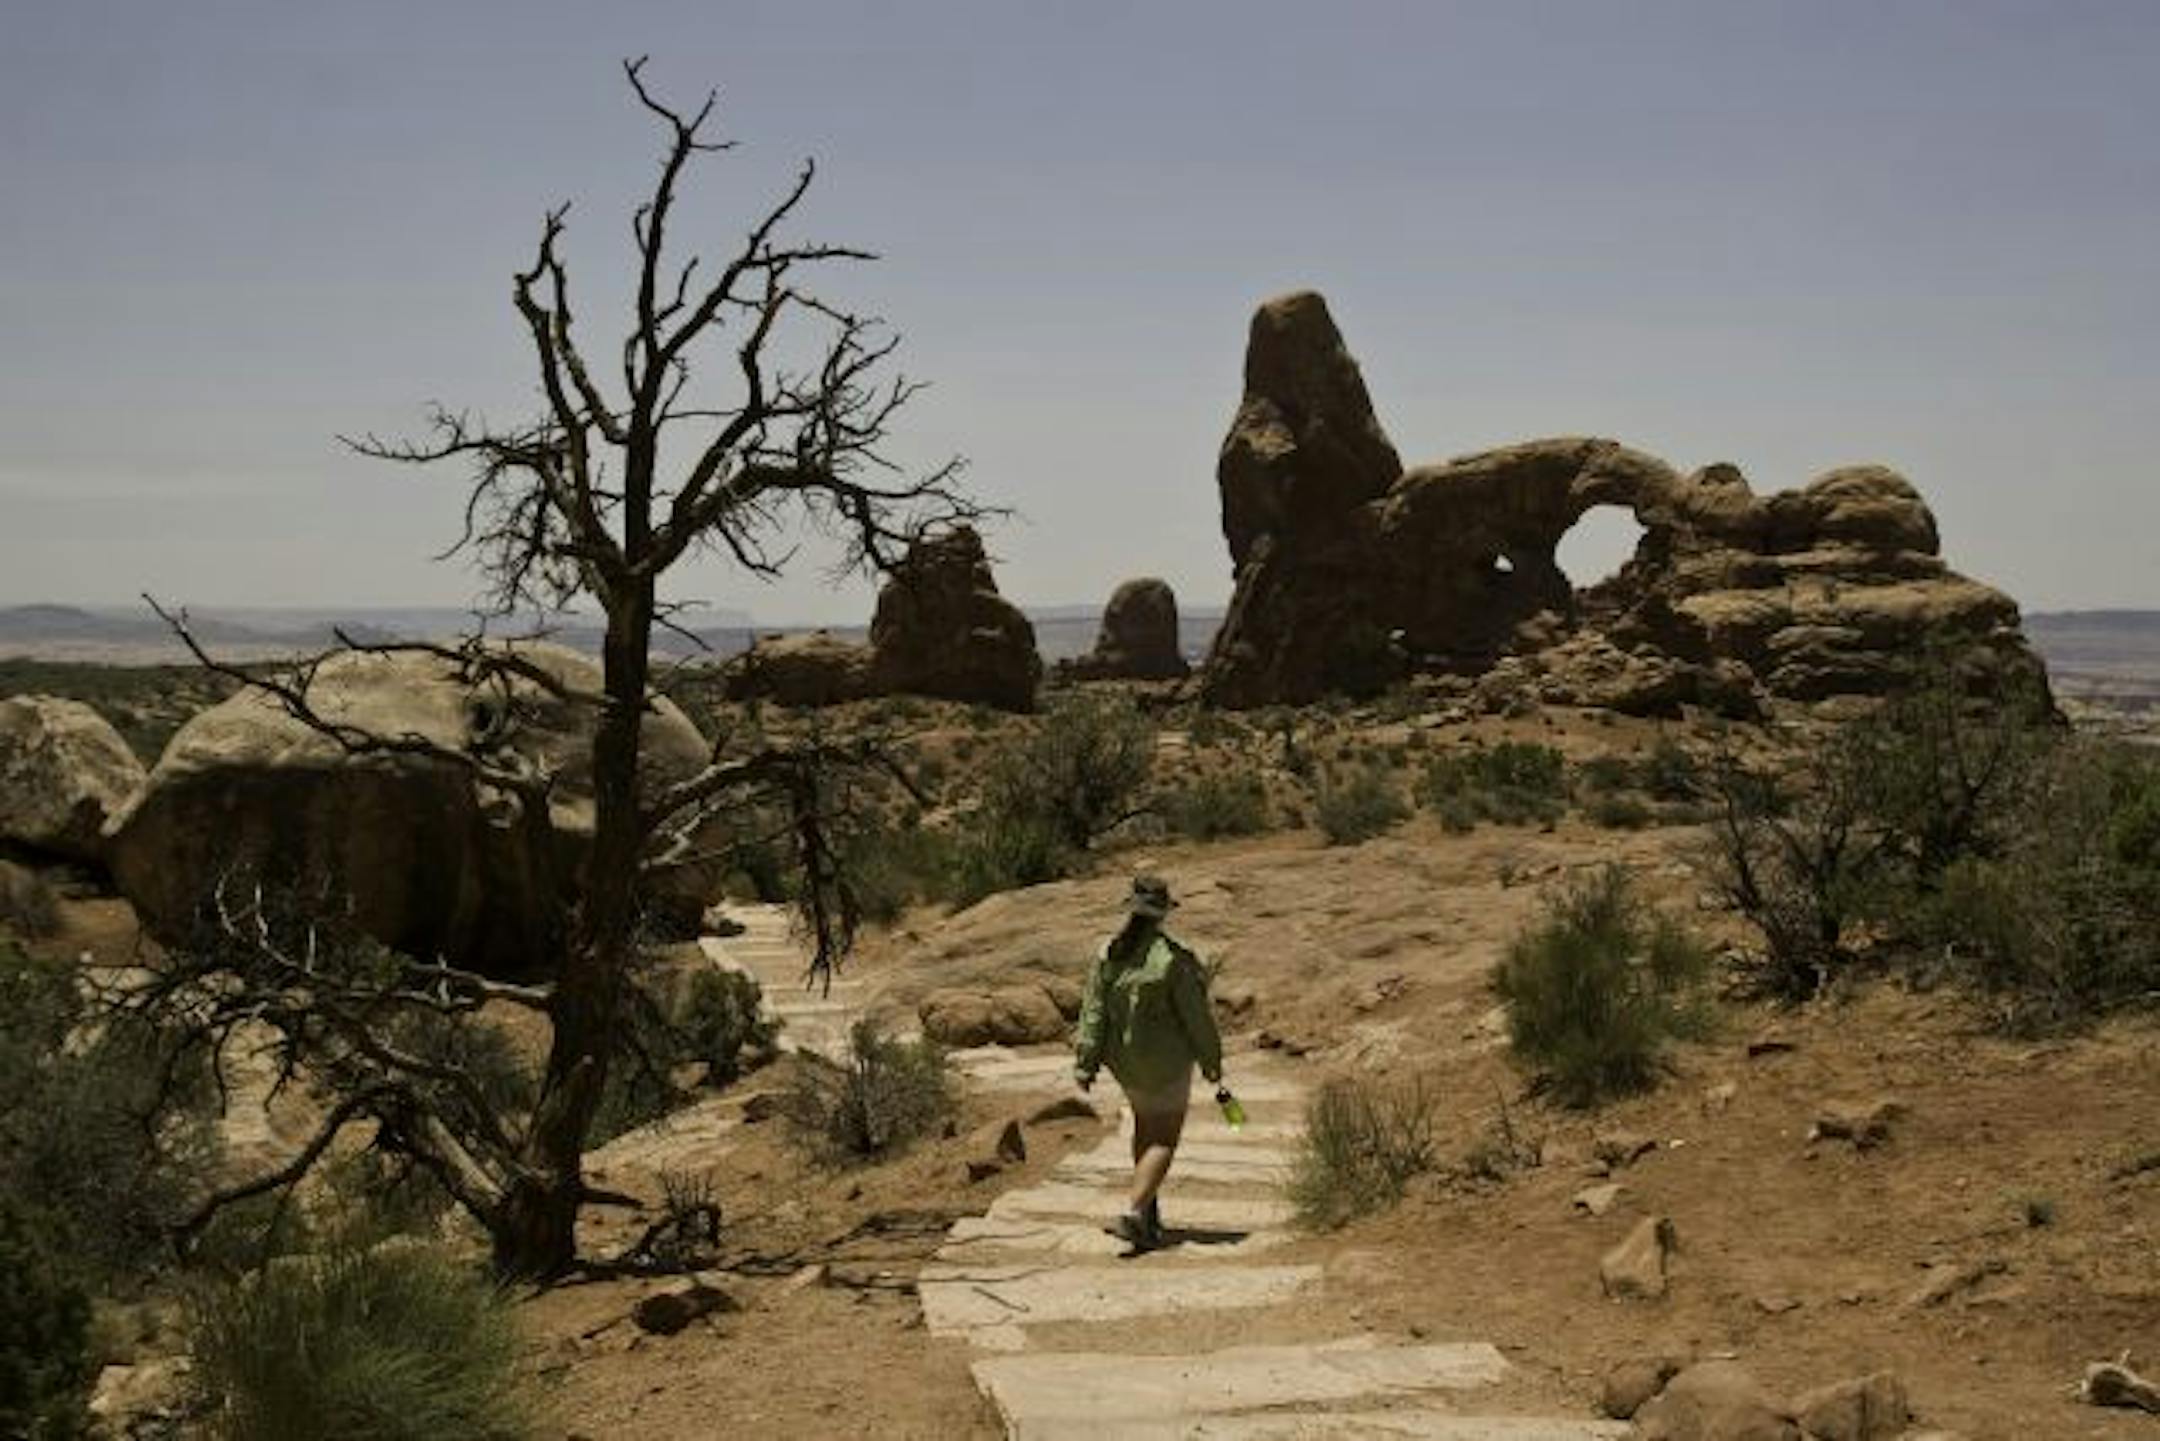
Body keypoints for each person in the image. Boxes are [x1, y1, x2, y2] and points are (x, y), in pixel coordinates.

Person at [1072, 873, 1225, 1251]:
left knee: (1145, 1129)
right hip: (1168, 1062)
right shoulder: (1173, 958)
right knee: (1164, 1139)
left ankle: (1148, 1219)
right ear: (1162, 913)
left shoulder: (1109, 952)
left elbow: (1093, 1011)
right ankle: (1135, 1210)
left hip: (1125, 1062)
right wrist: (1211, 1059)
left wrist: (1086, 1062)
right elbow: (1196, 1016)